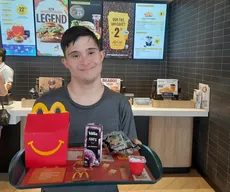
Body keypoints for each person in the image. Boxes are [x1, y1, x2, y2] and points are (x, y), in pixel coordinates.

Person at [34, 26, 141, 192]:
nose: (85, 61)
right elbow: (36, 157)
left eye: (91, 52)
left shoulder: (120, 104)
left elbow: (128, 157)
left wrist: (135, 154)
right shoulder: (46, 104)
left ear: (101, 55)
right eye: (75, 55)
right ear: (65, 62)